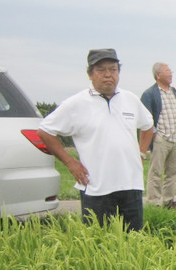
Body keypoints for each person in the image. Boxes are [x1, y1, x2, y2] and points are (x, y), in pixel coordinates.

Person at [38, 48, 154, 231]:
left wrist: (141, 153)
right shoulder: (76, 104)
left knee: (134, 239)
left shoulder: (130, 99)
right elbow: (45, 131)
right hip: (96, 186)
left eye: (113, 69)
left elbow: (148, 125)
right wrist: (70, 162)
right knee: (98, 240)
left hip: (130, 183)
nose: (108, 75)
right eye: (101, 70)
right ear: (90, 74)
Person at [140, 62, 176, 209]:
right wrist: (155, 134)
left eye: (171, 71)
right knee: (155, 171)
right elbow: (145, 117)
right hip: (160, 139)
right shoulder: (149, 94)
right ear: (158, 75)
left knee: (173, 172)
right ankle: (154, 202)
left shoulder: (174, 92)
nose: (170, 74)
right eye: (167, 71)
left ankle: (169, 201)